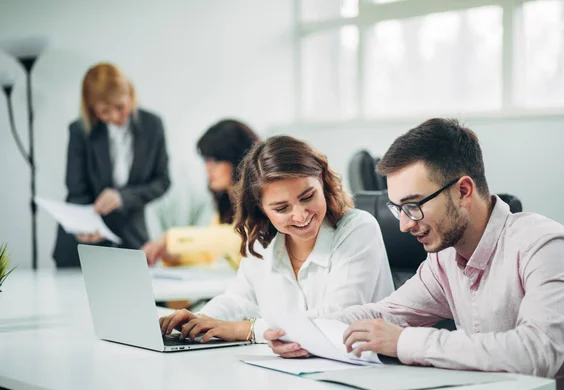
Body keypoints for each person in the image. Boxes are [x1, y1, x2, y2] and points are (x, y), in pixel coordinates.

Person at [266, 119, 564, 390]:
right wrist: (307, 331)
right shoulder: (445, 260)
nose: (404, 223)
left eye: (413, 205)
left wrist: (404, 342)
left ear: (463, 191)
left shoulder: (543, 245)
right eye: (398, 208)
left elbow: (535, 353)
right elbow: (386, 314)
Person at [159, 135, 394, 343]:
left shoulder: (358, 229)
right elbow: (239, 298)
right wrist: (200, 321)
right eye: (281, 208)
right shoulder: (262, 241)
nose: (301, 215)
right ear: (261, 209)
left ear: (321, 179)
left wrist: (247, 330)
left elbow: (333, 320)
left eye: (308, 196)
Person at [53, 63, 170, 267]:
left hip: (131, 241)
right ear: (91, 109)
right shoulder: (80, 131)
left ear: (131, 96)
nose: (115, 116)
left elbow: (162, 181)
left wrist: (123, 197)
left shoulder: (153, 126)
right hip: (83, 245)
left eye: (120, 107)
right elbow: (76, 190)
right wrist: (86, 225)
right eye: (105, 111)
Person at [141, 119, 260, 269]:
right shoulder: (225, 202)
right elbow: (211, 252)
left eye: (215, 161)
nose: (207, 169)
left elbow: (237, 240)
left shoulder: (261, 199)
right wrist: (175, 257)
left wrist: (170, 238)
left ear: (238, 159)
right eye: (206, 161)